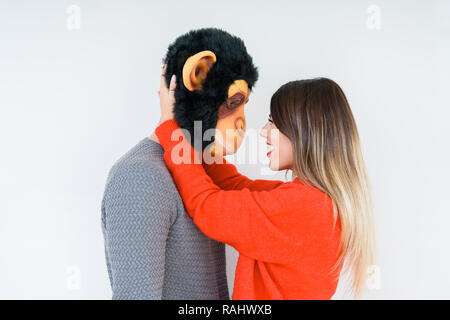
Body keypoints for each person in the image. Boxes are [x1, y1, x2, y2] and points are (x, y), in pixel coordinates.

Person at [153, 75, 375, 299]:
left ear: (304, 132)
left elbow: (208, 208)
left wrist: (169, 125)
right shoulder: (314, 202)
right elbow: (234, 185)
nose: (263, 131)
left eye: (274, 122)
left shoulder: (304, 207)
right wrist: (194, 132)